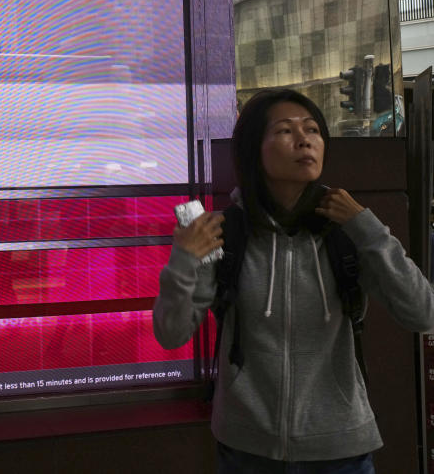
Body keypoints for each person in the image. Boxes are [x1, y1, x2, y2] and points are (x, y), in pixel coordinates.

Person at [153, 88, 434, 473]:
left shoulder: (346, 232)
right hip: (246, 452)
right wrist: (183, 260)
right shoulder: (226, 234)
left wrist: (368, 229)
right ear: (255, 149)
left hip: (341, 452)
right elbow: (171, 333)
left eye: (313, 129)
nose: (305, 139)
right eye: (286, 130)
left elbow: (423, 314)